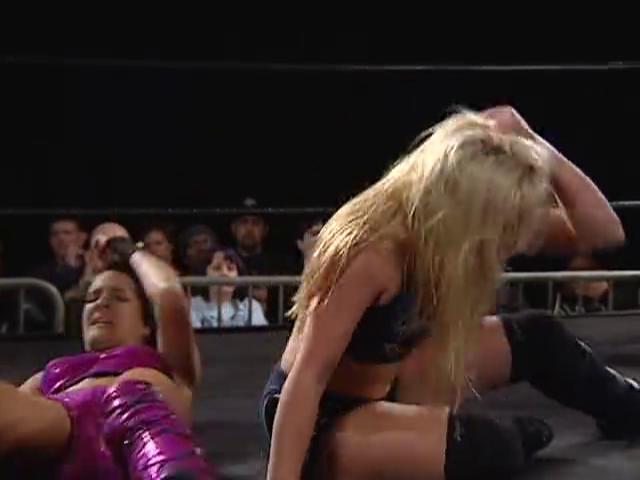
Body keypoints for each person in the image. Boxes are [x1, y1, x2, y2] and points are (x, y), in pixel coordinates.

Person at [261, 106, 634, 480]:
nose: (510, 240)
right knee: (492, 449)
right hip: (329, 418)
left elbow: (604, 234)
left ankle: (629, 407)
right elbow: (309, 376)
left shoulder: (468, 232)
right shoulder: (372, 250)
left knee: (538, 338)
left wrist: (539, 149)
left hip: (398, 376)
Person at [0, 223, 215, 479]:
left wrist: (127, 250)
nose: (100, 304)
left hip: (145, 440)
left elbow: (168, 293)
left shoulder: (167, 363)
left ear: (146, 324)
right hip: (59, 438)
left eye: (118, 297)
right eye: (92, 298)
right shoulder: (51, 375)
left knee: (130, 393)